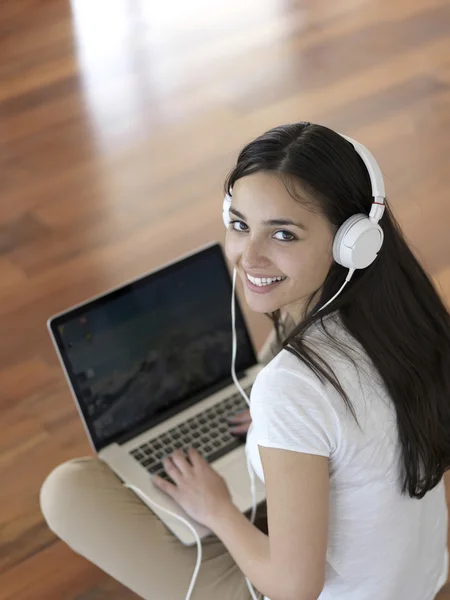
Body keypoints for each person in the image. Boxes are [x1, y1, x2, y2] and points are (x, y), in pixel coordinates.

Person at [40, 122, 450, 600]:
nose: (248, 256)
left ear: (351, 241)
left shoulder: (293, 386)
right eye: (239, 225)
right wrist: (286, 431)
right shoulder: (406, 320)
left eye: (283, 234)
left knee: (68, 491)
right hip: (419, 580)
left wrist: (216, 507)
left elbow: (296, 588)